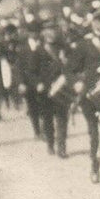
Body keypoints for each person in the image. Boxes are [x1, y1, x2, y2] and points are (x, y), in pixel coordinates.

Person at [68, 9, 100, 183]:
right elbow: (70, 69)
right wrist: (76, 82)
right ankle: (95, 169)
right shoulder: (84, 44)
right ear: (94, 22)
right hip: (90, 96)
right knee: (95, 133)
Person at [35, 25, 72, 157]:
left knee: (62, 118)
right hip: (46, 91)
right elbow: (33, 70)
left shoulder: (63, 49)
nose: (51, 34)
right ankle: (50, 144)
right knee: (48, 119)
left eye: (53, 30)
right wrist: (38, 83)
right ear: (43, 34)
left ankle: (61, 148)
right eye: (47, 31)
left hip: (61, 89)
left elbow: (71, 67)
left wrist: (64, 60)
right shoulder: (38, 51)